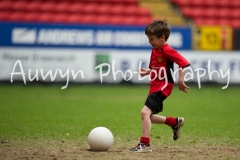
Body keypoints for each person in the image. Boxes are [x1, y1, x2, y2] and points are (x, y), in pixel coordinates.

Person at [130, 19, 190, 152]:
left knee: (144, 112)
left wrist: (181, 80)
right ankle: (174, 122)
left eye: (151, 39)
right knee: (148, 116)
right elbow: (158, 66)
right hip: (155, 86)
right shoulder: (155, 49)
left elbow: (184, 64)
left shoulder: (167, 49)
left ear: (162, 38)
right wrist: (148, 72)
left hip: (163, 86)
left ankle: (145, 144)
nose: (149, 42)